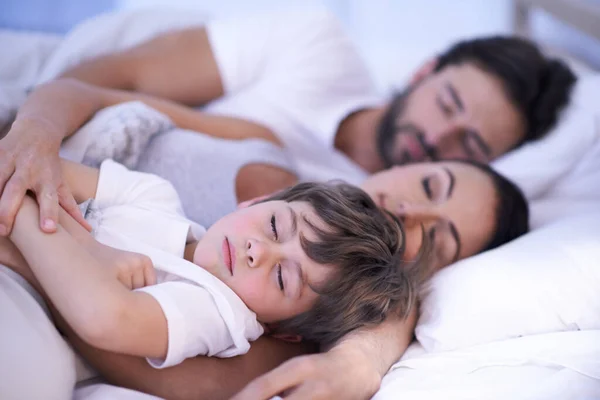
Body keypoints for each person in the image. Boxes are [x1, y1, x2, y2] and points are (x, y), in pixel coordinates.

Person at [0, 7, 541, 399]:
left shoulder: (314, 297)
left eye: (437, 239)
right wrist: (32, 140)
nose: (408, 214)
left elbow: (143, 342)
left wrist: (363, 357)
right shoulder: (279, 134)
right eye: (429, 187)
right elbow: (95, 86)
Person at [2, 157, 415, 399]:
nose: (260, 252)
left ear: (284, 332)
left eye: (283, 278)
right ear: (258, 200)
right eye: (274, 225)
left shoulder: (218, 312)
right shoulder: (154, 194)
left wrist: (18, 221)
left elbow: (104, 317)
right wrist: (81, 249)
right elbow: (32, 167)